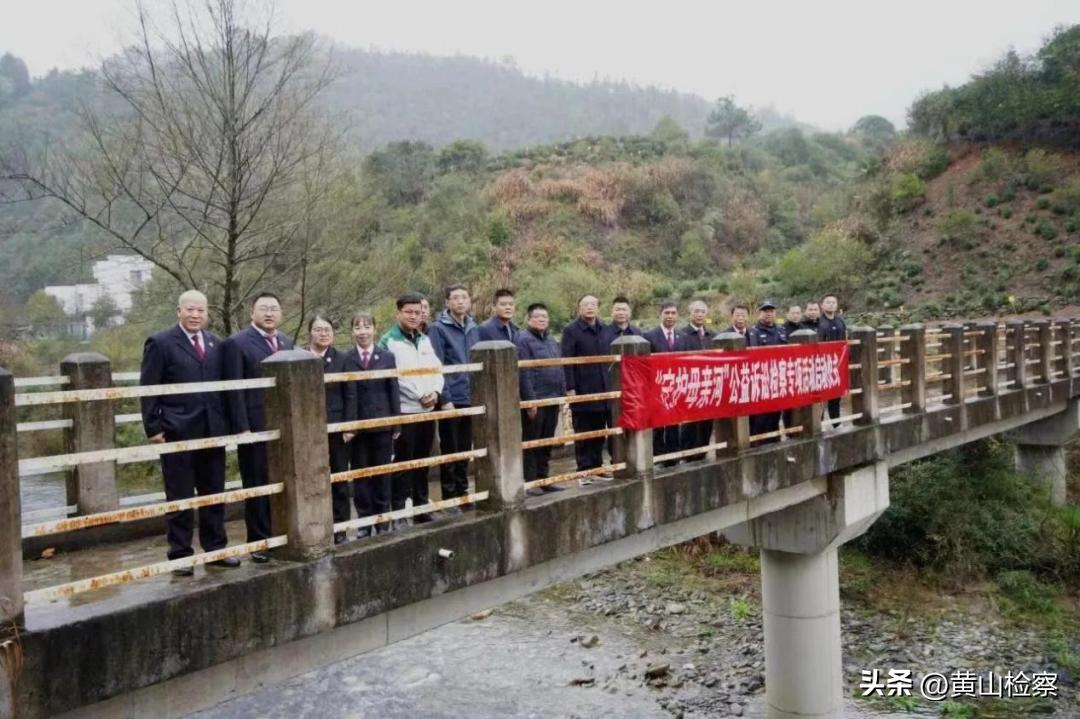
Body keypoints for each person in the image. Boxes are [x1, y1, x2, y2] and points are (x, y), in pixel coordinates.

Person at [139, 290, 238, 575]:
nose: (195, 315)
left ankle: (216, 550)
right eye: (190, 310)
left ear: (208, 313)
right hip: (177, 431)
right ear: (179, 311)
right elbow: (148, 388)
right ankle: (181, 555)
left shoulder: (216, 343)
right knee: (180, 497)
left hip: (212, 431)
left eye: (201, 311)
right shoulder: (160, 342)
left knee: (213, 494)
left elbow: (223, 387)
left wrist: (228, 425)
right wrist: (153, 427)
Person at [222, 291, 294, 562]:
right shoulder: (237, 343)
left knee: (282, 483)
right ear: (252, 312)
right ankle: (259, 541)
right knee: (258, 485)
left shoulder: (286, 341)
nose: (269, 313)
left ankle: (280, 534)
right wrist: (241, 429)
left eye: (274, 309)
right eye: (263, 308)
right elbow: (234, 389)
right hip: (253, 427)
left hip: (283, 428)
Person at [379, 293, 445, 522]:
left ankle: (420, 507)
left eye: (418, 312)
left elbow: (437, 368)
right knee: (403, 463)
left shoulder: (424, 339)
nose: (414, 316)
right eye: (409, 312)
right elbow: (395, 377)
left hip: (427, 411)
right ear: (398, 313)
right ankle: (398, 510)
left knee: (423, 461)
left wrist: (436, 392)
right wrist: (420, 394)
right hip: (406, 411)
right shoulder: (389, 341)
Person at [342, 312, 400, 536]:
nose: (363, 331)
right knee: (361, 474)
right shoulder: (346, 359)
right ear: (353, 331)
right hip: (358, 428)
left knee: (383, 474)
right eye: (358, 327)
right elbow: (347, 394)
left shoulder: (386, 356)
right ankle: (364, 521)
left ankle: (382, 520)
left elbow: (393, 389)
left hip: (383, 424)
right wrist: (349, 425)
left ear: (375, 329)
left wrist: (397, 423)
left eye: (367, 327)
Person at [426, 284, 479, 503]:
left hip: (470, 394)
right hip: (451, 397)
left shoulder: (473, 327)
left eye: (464, 297)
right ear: (447, 302)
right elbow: (436, 364)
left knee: (465, 446)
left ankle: (462, 489)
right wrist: (445, 397)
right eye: (455, 298)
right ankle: (449, 494)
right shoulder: (438, 328)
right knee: (451, 447)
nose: (460, 301)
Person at [305, 316, 355, 545]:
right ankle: (313, 526)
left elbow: (350, 392)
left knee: (339, 477)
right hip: (307, 428)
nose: (323, 334)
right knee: (310, 478)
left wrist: (349, 425)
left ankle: (340, 526)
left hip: (336, 426)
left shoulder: (343, 358)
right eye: (318, 330)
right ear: (310, 333)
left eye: (327, 330)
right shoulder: (300, 357)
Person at [515, 303, 567, 495]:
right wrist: (530, 401)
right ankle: (530, 481)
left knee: (546, 441)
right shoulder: (523, 340)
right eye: (538, 317)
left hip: (553, 398)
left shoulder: (551, 340)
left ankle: (543, 478)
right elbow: (524, 372)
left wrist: (562, 396)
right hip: (537, 399)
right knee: (532, 441)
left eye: (545, 317)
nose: (542, 320)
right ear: (529, 319)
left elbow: (559, 367)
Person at [561, 294, 611, 478]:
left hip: (603, 388)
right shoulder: (571, 330)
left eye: (593, 304)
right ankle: (584, 469)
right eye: (585, 305)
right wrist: (570, 387)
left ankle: (597, 467)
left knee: (599, 432)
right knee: (583, 431)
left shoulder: (605, 328)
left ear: (598, 307)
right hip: (582, 388)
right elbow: (567, 360)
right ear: (579, 308)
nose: (590, 307)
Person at [643, 301, 686, 466]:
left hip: (676, 386)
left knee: (675, 422)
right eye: (667, 313)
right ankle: (658, 456)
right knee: (658, 424)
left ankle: (674, 455)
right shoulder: (649, 336)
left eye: (673, 313)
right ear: (660, 315)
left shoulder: (682, 336)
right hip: (657, 386)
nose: (670, 316)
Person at [746, 300, 787, 445]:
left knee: (775, 413)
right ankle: (758, 442)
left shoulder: (781, 330)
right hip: (761, 380)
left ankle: (774, 439)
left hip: (778, 379)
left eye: (771, 310)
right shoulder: (753, 332)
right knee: (760, 415)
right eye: (765, 311)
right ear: (760, 313)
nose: (769, 313)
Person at [680, 299, 714, 460]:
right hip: (690, 385)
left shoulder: (711, 335)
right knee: (690, 423)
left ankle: (703, 453)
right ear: (690, 314)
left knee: (707, 422)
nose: (700, 314)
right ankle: (688, 455)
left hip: (709, 386)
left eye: (702, 311)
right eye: (696, 311)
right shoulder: (683, 335)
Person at [817, 294, 848, 425]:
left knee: (836, 395)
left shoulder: (840, 321)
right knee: (821, 396)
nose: (831, 304)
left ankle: (836, 423)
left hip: (839, 363)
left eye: (833, 302)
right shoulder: (819, 322)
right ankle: (820, 423)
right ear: (822, 306)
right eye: (828, 302)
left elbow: (845, 340)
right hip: (823, 364)